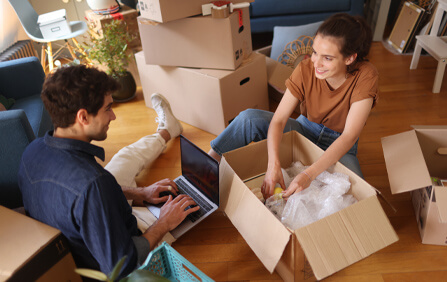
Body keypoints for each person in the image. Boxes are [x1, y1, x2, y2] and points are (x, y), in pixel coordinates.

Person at [18, 65, 199, 278]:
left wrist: (141, 193)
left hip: (80, 231)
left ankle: (167, 130)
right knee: (181, 206)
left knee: (125, 157)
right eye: (108, 108)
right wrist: (164, 223)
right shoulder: (94, 184)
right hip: (118, 252)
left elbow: (83, 194)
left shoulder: (32, 150)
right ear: (83, 117)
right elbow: (123, 266)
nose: (113, 116)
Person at [208, 13, 378, 200]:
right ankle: (207, 165)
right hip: (304, 130)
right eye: (314, 52)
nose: (316, 63)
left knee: (361, 196)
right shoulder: (305, 68)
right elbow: (279, 120)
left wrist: (307, 175)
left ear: (349, 58)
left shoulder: (366, 76)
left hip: (339, 143)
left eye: (327, 58)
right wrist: (273, 165)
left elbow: (349, 136)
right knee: (248, 119)